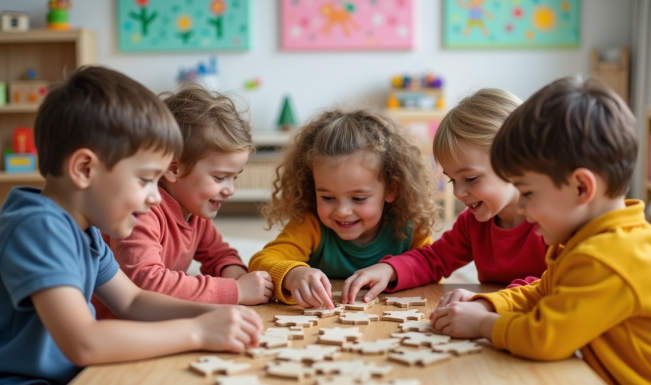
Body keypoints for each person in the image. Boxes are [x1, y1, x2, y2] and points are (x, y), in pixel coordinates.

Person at [0, 67, 262, 385]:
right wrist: (198, 331)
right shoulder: (39, 227)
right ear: (85, 169)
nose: (156, 197)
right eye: (145, 179)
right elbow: (85, 342)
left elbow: (133, 300)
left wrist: (213, 315)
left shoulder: (86, 232)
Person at [431, 77, 651, 384]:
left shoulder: (606, 257)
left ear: (581, 188)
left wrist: (484, 325)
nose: (524, 209)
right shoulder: (586, 239)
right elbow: (544, 290)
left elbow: (545, 338)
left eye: (528, 194)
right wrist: (489, 303)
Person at [342, 89, 547, 304]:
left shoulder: (555, 221)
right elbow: (435, 259)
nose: (458, 193)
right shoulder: (472, 223)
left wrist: (488, 302)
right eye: (452, 180)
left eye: (470, 178)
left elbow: (555, 284)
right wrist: (389, 269)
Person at [94, 84, 273, 320]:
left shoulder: (195, 210)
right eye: (220, 177)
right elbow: (146, 283)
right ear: (174, 168)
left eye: (234, 177)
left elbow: (219, 255)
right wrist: (236, 290)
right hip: (113, 327)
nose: (230, 190)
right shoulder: (142, 211)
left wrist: (240, 277)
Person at [249, 109, 438, 309]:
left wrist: (391, 270)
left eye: (358, 198)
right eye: (328, 197)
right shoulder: (310, 225)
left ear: (391, 189)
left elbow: (432, 270)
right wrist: (292, 274)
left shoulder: (409, 227)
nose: (342, 211)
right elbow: (260, 262)